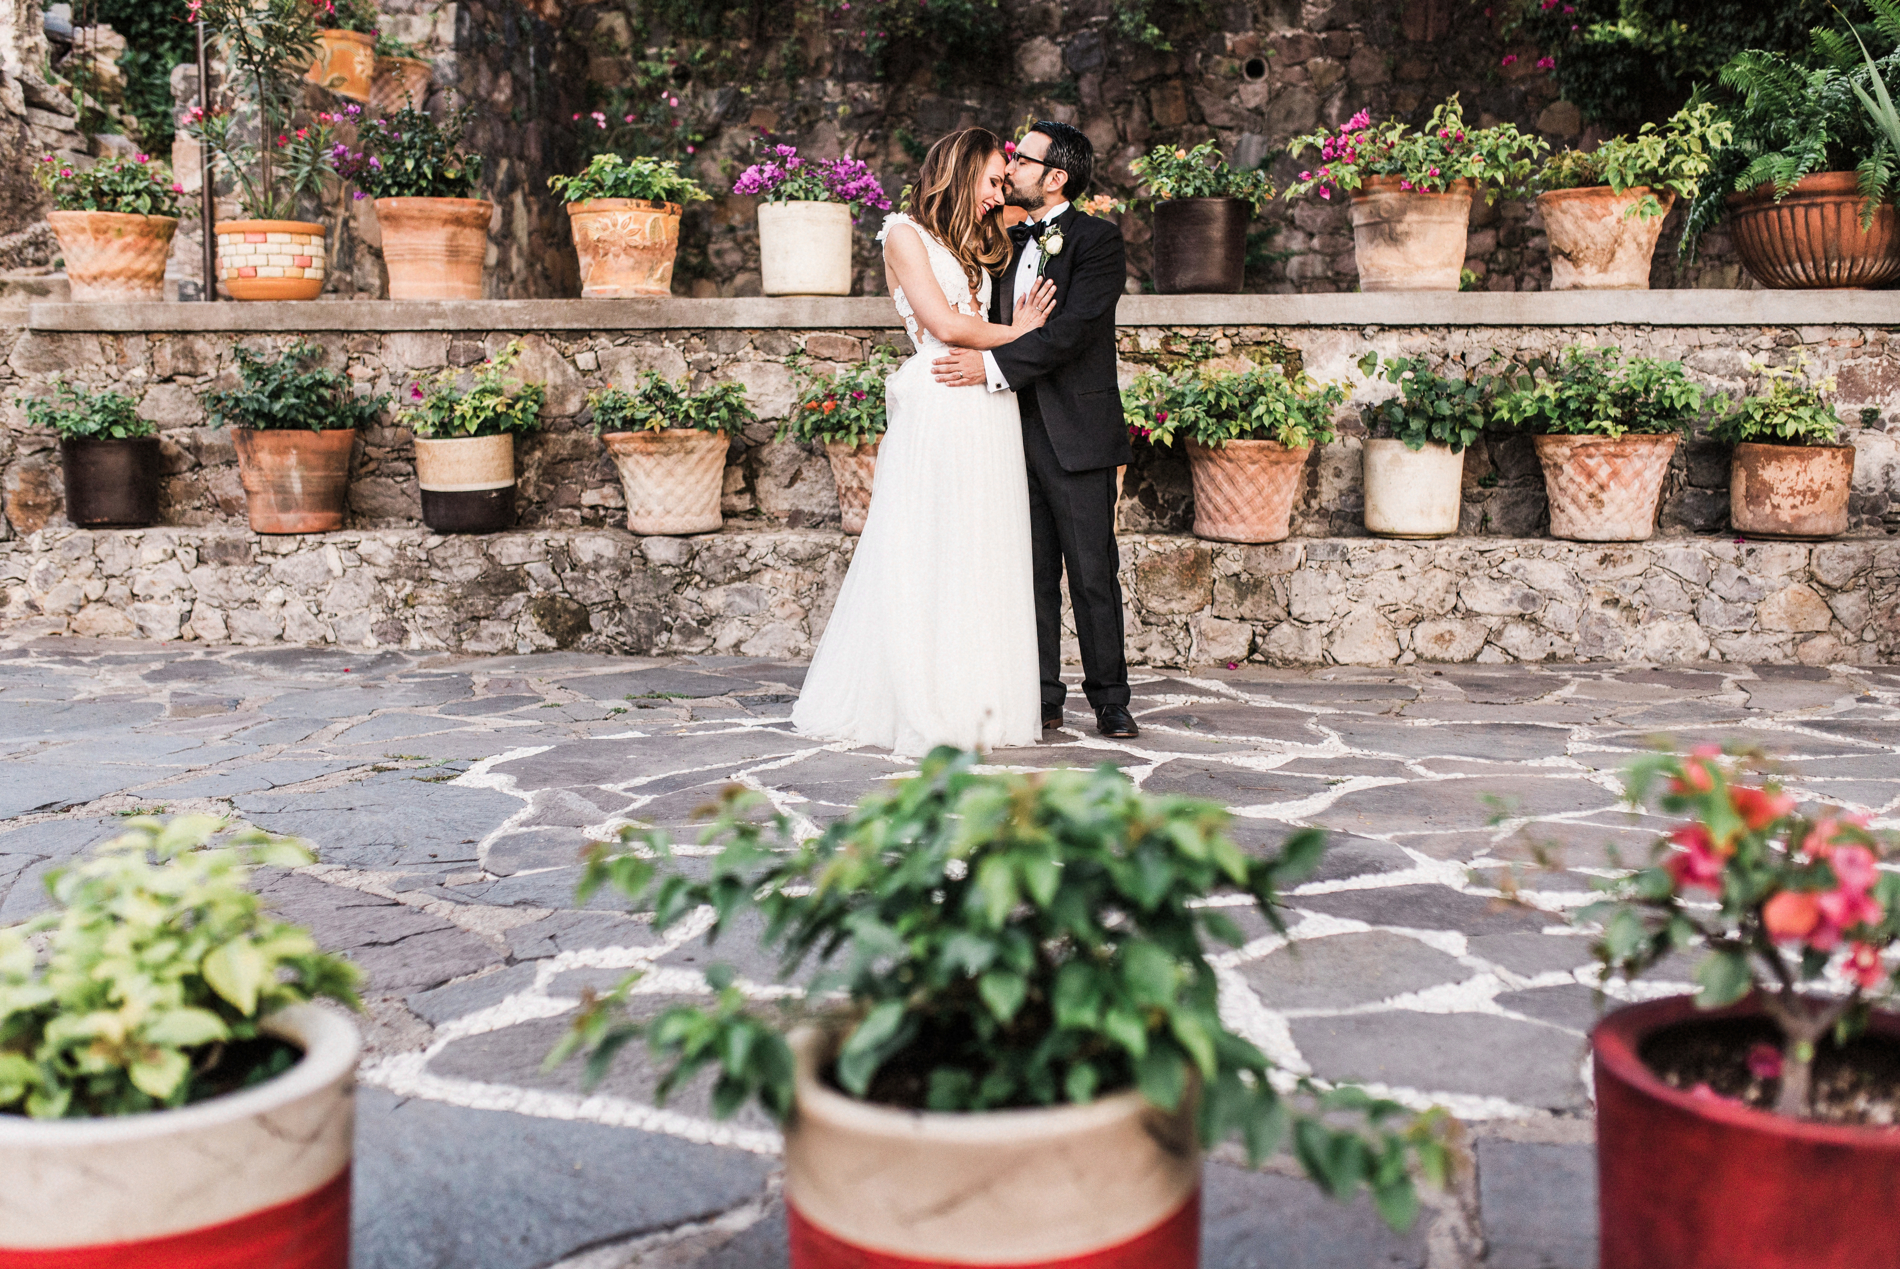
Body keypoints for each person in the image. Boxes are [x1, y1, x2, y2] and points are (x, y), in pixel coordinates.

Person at [790, 128, 1059, 756]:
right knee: (929, 542)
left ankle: (979, 697)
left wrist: (1022, 204)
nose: (999, 196)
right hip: (940, 397)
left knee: (982, 547)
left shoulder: (975, 236)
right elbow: (941, 323)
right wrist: (1018, 332)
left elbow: (1034, 213)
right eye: (992, 181)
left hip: (988, 403)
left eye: (1003, 182)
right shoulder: (903, 234)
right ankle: (924, 697)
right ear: (962, 171)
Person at [929, 121, 1138, 740]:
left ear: (1056, 178)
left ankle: (1110, 699)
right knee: (1029, 574)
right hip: (1004, 435)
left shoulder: (1099, 242)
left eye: (1021, 160)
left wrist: (989, 366)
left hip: (1078, 432)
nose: (1009, 167)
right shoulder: (998, 243)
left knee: (1094, 572)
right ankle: (1041, 695)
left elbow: (1071, 332)